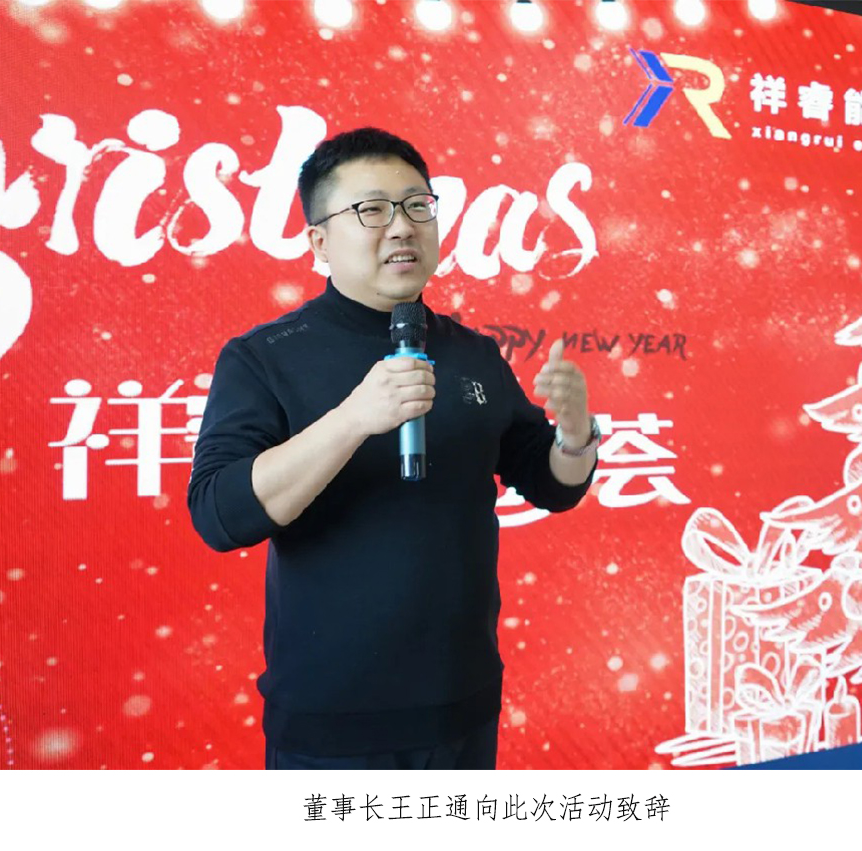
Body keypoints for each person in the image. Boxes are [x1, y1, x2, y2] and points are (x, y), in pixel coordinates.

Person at [187, 127, 601, 770]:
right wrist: (353, 419)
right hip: (332, 719)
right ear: (320, 241)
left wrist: (575, 434)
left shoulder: (472, 352)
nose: (402, 227)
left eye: (416, 205)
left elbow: (550, 483)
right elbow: (220, 515)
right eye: (372, 210)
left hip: (462, 706)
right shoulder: (264, 357)